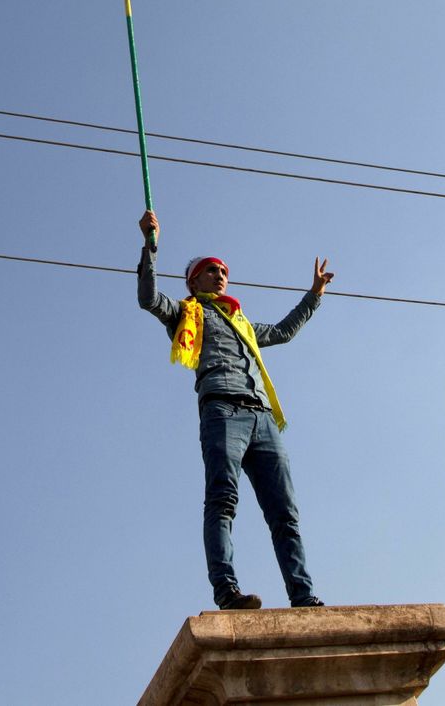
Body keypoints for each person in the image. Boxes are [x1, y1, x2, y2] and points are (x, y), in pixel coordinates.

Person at [136, 209, 334, 610]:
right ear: (193, 280)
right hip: (222, 411)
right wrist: (150, 247)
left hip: (262, 417)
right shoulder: (186, 312)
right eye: (211, 270)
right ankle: (226, 591)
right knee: (223, 499)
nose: (221, 274)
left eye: (224, 269)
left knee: (285, 512)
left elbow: (282, 332)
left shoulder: (242, 323)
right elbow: (148, 299)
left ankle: (303, 595)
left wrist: (313, 297)